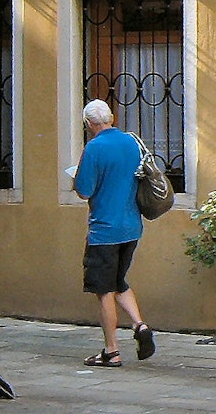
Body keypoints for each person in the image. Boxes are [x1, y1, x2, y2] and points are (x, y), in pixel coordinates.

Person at [73, 99, 155, 367]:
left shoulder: (94, 148)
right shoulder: (132, 142)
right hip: (132, 226)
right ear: (111, 118)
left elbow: (84, 190)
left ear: (89, 123)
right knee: (119, 281)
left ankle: (111, 351)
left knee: (104, 290)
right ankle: (140, 324)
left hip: (104, 230)